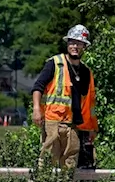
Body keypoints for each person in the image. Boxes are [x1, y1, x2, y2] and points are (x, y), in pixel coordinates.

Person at [31, 25, 96, 170]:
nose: (74, 46)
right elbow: (38, 87)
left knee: (70, 164)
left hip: (73, 125)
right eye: (72, 42)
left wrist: (91, 128)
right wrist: (36, 109)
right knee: (48, 161)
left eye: (78, 43)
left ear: (84, 46)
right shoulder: (54, 63)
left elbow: (90, 103)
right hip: (53, 120)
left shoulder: (86, 72)